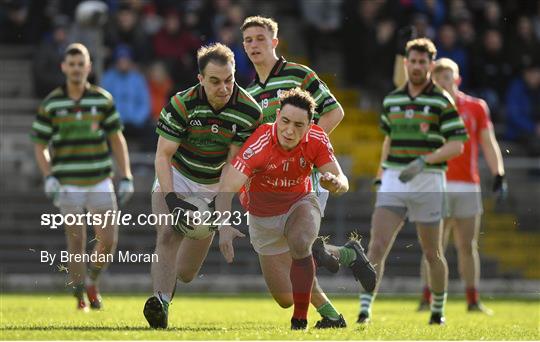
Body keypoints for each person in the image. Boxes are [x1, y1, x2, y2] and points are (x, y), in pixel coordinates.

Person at [240, 15, 376, 325]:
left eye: (260, 38)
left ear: (274, 42)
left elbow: (335, 111)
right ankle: (347, 255)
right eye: (248, 40)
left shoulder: (298, 75)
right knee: (306, 258)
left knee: (300, 249)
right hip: (271, 183)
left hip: (306, 176)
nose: (254, 45)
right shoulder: (248, 92)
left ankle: (327, 317)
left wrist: (304, 150)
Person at [143, 43, 262, 329]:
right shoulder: (181, 104)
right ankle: (160, 304)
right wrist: (172, 200)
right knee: (168, 233)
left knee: (185, 273)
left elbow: (234, 167)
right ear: (200, 79)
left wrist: (222, 216)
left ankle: (169, 290)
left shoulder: (248, 111)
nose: (224, 88)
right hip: (177, 176)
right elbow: (162, 156)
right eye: (215, 81)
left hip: (214, 184)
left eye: (229, 79)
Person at [215, 88, 352, 330]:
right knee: (285, 298)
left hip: (299, 203)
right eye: (285, 121)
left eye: (299, 125)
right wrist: (224, 226)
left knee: (300, 243)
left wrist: (336, 183)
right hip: (261, 217)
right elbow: (227, 187)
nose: (290, 130)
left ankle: (300, 321)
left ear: (310, 126)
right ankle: (344, 255)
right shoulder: (260, 143)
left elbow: (342, 181)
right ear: (277, 116)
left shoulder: (318, 139)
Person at [358, 38, 468, 326]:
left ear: (430, 66)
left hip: (429, 180)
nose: (417, 66)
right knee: (377, 245)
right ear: (405, 63)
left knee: (432, 252)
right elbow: (388, 139)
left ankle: (438, 309)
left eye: (423, 62)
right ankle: (365, 309)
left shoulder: (441, 100)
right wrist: (382, 175)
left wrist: (424, 160)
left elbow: (457, 144)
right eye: (413, 61)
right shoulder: (393, 99)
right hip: (395, 177)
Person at [31, 43, 134, 311]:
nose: (76, 69)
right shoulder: (52, 103)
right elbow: (39, 144)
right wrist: (49, 176)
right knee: (76, 240)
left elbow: (116, 138)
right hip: (67, 183)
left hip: (99, 179)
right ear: (64, 67)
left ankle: (92, 280)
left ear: (89, 67)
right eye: (72, 64)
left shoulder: (102, 100)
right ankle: (79, 294)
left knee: (108, 240)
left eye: (81, 64)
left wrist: (126, 176)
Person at [417, 57, 507, 314]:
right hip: (438, 183)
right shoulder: (428, 108)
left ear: (457, 79)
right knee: (434, 247)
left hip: (468, 185)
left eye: (448, 77)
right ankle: (428, 298)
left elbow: (489, 143)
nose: (444, 83)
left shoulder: (476, 107)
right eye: (438, 78)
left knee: (467, 246)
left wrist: (498, 172)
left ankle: (472, 299)